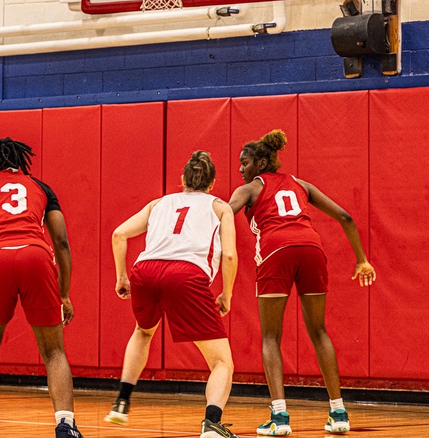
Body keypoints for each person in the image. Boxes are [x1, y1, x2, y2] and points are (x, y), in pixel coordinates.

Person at [228, 129, 376, 436]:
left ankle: (279, 417)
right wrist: (362, 259)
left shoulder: (251, 188)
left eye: (244, 162)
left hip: (276, 249)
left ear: (261, 162)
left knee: (270, 336)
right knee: (319, 330)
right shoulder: (300, 184)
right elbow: (346, 217)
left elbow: (223, 214)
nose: (240, 168)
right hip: (311, 247)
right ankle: (338, 412)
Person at [0, 137, 83, 438]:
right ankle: (66, 425)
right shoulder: (41, 188)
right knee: (53, 351)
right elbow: (61, 242)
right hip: (36, 257)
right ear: (19, 160)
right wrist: (64, 292)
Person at [106, 151, 238, 438]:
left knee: (143, 332)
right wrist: (226, 294)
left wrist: (122, 276)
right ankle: (212, 423)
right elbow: (228, 255)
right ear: (212, 183)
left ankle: (121, 402)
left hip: (145, 270)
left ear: (182, 180)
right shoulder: (220, 207)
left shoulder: (158, 204)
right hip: (185, 275)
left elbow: (119, 234)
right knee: (221, 362)